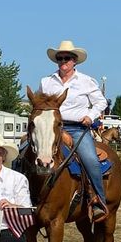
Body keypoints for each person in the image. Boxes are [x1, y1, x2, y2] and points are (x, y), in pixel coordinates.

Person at [39, 40, 108, 222]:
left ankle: (98, 201)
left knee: (91, 160)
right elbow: (39, 104)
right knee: (22, 151)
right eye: (60, 58)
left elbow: (101, 102)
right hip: (52, 127)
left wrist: (90, 116)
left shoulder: (86, 81)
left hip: (77, 128)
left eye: (67, 58)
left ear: (74, 61)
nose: (63, 61)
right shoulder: (46, 82)